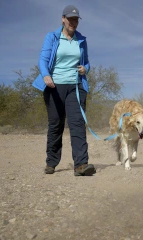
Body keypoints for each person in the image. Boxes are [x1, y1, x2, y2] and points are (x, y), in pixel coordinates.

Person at [32, 5, 95, 176]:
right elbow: (43, 60)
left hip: (76, 87)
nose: (73, 22)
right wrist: (46, 75)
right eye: (70, 19)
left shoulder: (81, 40)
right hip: (54, 86)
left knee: (77, 125)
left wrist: (85, 69)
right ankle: (51, 162)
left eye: (76, 19)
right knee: (56, 124)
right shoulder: (52, 37)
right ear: (63, 19)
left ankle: (81, 164)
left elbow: (87, 62)